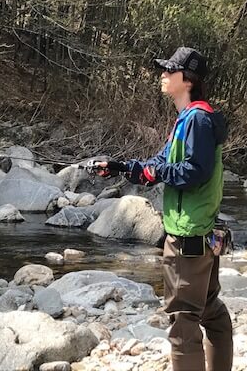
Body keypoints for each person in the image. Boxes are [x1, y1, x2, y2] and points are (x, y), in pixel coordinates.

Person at [96, 46, 233, 371]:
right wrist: (120, 167)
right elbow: (161, 162)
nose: (163, 75)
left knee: (183, 322)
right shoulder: (189, 118)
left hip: (188, 236)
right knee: (210, 309)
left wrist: (156, 173)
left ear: (186, 80)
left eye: (169, 71)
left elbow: (194, 171)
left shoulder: (197, 119)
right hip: (199, 234)